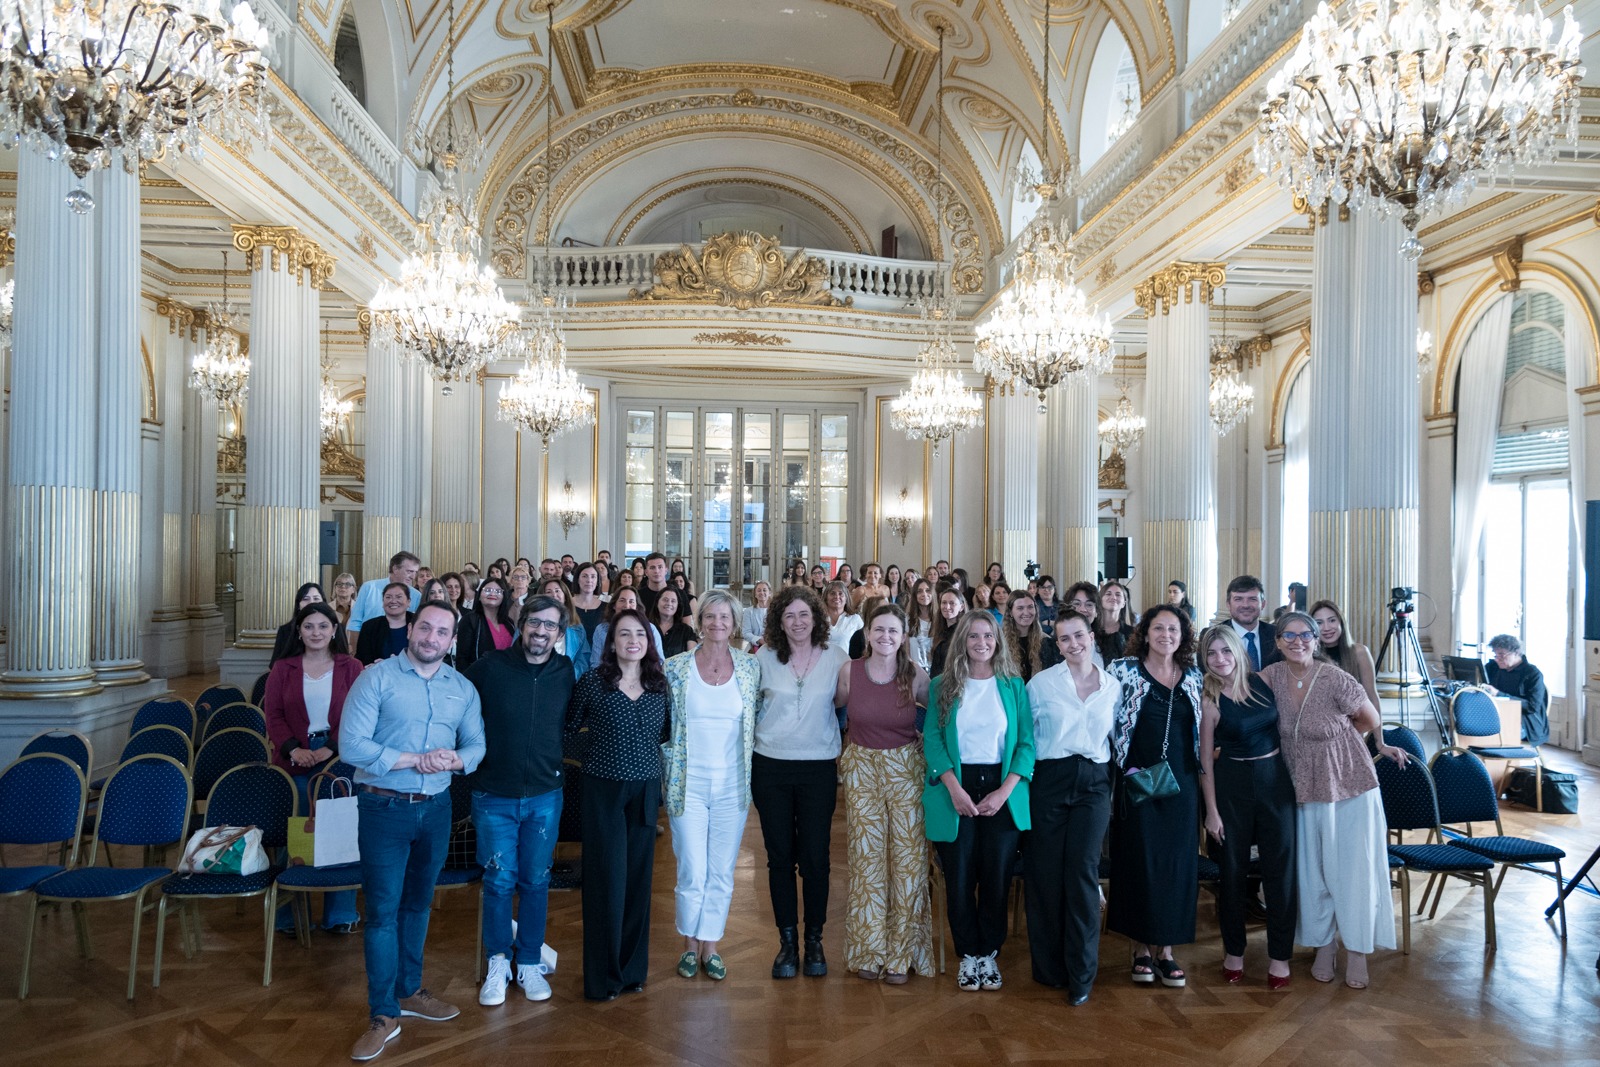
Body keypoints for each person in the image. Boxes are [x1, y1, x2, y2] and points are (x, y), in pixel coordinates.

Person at [340, 601, 485, 1062]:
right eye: (426, 628)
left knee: (419, 904)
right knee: (382, 912)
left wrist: (456, 759)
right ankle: (382, 1014)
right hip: (383, 807)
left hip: (437, 808)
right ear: (412, 630)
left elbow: (477, 743)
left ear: (451, 640)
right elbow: (352, 745)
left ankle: (409, 990)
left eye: (442, 632)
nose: (431, 638)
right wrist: (412, 760)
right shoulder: (376, 678)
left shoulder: (461, 688)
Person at [1259, 611, 1407, 989]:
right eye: (1288, 636)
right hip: (1300, 788)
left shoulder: (1335, 678)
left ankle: (1356, 951)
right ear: (1277, 642)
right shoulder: (1269, 678)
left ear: (1316, 639)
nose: (1297, 641)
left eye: (1305, 634)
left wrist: (1335, 747)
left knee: (1352, 872)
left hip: (1348, 785)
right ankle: (1323, 946)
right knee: (1311, 874)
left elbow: (1369, 719)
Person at [465, 596, 573, 1008]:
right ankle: (497, 962)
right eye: (534, 623)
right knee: (498, 882)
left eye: (550, 626)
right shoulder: (489, 668)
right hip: (493, 794)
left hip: (546, 794)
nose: (540, 631)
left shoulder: (565, 671)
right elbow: (454, 702)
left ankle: (528, 961)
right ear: (520, 624)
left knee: (536, 881)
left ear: (559, 634)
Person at [924, 610, 1034, 993]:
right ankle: (968, 954)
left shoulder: (1013, 685)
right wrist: (954, 789)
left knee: (996, 875)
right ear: (962, 641)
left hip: (1002, 787)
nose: (981, 642)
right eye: (973, 636)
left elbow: (1026, 745)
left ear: (999, 640)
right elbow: (933, 742)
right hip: (956, 785)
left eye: (988, 635)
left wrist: (1004, 792)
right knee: (958, 876)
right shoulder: (943, 684)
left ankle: (989, 952)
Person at [568, 609, 669, 1001]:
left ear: (648, 642)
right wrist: (596, 752)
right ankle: (602, 977)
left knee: (638, 883)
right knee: (604, 881)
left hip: (644, 791)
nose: (632, 641)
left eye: (639, 635)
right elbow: (569, 731)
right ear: (611, 642)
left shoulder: (659, 685)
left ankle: (631, 971)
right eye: (624, 634)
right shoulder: (594, 682)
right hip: (603, 790)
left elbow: (668, 733)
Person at [663, 590, 761, 981]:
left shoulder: (751, 668)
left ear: (735, 624)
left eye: (725, 618)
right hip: (687, 781)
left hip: (733, 785)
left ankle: (711, 945)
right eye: (709, 617)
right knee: (691, 869)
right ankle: (689, 945)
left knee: (721, 871)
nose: (717, 624)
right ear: (698, 621)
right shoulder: (675, 667)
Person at [1105, 604, 1204, 988]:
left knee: (1176, 868)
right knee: (1138, 865)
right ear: (1145, 633)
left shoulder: (1194, 676)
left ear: (1183, 637)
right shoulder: (1123, 671)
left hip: (1181, 787)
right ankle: (1141, 948)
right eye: (1159, 628)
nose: (1166, 636)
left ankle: (1167, 950)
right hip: (1137, 784)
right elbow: (1106, 722)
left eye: (1174, 630)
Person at [753, 585, 849, 979]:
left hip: (817, 767)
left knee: (815, 858)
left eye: (804, 615)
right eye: (789, 615)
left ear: (816, 618)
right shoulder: (762, 658)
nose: (797, 622)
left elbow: (843, 702)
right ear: (778, 620)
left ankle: (814, 941)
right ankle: (786, 943)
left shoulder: (836, 659)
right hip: (771, 766)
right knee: (779, 859)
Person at [835, 603, 933, 984]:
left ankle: (902, 953)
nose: (886, 637)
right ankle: (868, 949)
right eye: (879, 630)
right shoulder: (850, 672)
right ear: (868, 634)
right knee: (867, 860)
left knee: (908, 861)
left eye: (893, 631)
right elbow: (829, 709)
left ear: (904, 637)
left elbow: (942, 714)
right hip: (861, 769)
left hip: (906, 769)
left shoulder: (916, 676)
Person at [1023, 610, 1116, 1006]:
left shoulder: (1113, 686)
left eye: (1079, 636)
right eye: (1064, 639)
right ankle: (1048, 969)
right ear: (1056, 644)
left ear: (1091, 636)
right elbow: (1026, 738)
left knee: (1081, 872)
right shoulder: (1040, 684)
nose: (1073, 644)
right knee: (1044, 874)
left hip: (1094, 782)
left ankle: (1081, 973)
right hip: (1049, 779)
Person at [1197, 626, 1295, 990]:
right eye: (1211, 654)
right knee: (1233, 874)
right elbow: (1205, 761)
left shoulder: (1265, 681)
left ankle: (1280, 955)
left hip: (1275, 783)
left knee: (1280, 873)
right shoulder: (1209, 698)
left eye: (1225, 650)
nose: (1220, 659)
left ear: (1238, 650)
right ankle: (1233, 951)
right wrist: (1212, 811)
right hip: (1232, 787)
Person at [263, 601, 362, 933]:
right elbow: (273, 715)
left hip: (339, 759)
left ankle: (340, 915)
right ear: (299, 631)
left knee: (340, 835)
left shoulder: (352, 666)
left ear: (334, 630)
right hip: (293, 758)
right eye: (309, 627)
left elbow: (357, 715)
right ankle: (288, 916)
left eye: (323, 626)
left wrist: (328, 750)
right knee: (296, 835)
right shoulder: (282, 669)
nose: (316, 632)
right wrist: (294, 749)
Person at [1310, 599, 1380, 709]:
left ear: (1341, 622)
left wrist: (1377, 726)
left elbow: (1371, 696)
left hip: (1356, 720)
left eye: (1332, 620)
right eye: (1319, 623)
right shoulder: (1308, 656)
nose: (1327, 628)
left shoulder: (1359, 652)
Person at [1485, 634, 1550, 745]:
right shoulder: (1493, 668)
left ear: (1516, 653)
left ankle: (1495, 759)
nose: (1497, 659)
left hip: (1526, 723)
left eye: (1501, 655)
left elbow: (1532, 706)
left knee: (1488, 731)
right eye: (1495, 655)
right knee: (1467, 724)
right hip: (1499, 717)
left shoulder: (1532, 673)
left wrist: (1499, 694)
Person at [347, 552, 422, 636]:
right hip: (368, 642)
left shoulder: (416, 596)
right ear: (395, 569)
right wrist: (354, 648)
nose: (413, 576)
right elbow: (355, 621)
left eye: (415, 572)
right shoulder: (369, 588)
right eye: (409, 571)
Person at [590, 587, 665, 669]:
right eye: (622, 600)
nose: (626, 605)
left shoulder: (650, 628)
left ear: (636, 606)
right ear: (614, 605)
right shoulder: (601, 629)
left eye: (631, 601)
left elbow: (659, 661)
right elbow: (596, 664)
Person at [535, 577, 594, 677]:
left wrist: (567, 675)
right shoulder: (531, 624)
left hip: (568, 682)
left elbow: (583, 660)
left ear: (565, 596)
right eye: (548, 592)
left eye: (557, 591)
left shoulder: (578, 628)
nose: (554, 595)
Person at [270, 582, 341, 665]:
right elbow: (275, 664)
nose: (311, 602)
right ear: (298, 605)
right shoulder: (285, 630)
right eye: (305, 599)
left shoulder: (336, 627)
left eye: (316, 598)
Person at [455, 577, 515, 672]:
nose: (492, 593)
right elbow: (462, 658)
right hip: (480, 679)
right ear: (479, 596)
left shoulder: (509, 623)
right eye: (487, 590)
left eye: (498, 591)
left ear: (503, 596)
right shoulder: (470, 620)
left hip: (508, 677)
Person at [1226, 575, 1280, 670]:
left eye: (1252, 599)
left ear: (1263, 604)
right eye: (1238, 599)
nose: (1245, 605)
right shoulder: (1213, 636)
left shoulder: (1276, 634)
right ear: (1228, 604)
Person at [355, 582, 415, 666]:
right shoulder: (369, 626)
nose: (393, 601)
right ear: (383, 602)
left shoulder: (418, 623)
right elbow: (363, 659)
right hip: (380, 675)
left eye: (399, 597)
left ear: (408, 602)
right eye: (388, 597)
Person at [1003, 592, 1056, 681]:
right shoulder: (1000, 642)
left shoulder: (1046, 641)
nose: (1026, 612)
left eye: (1030, 607)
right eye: (1020, 608)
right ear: (1011, 612)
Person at [928, 584, 967, 675]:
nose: (947, 607)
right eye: (944, 602)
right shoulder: (939, 629)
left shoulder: (964, 632)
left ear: (961, 607)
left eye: (952, 603)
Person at [1094, 581, 1136, 664]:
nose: (1113, 597)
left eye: (1118, 594)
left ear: (1124, 603)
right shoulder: (1090, 629)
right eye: (1108, 594)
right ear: (1100, 600)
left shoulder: (1132, 633)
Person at [654, 587, 697, 659]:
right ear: (657, 603)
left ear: (677, 605)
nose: (669, 603)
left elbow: (692, 659)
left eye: (673, 601)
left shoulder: (686, 630)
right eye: (665, 600)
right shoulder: (648, 628)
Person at [823, 580, 862, 653]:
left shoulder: (855, 619)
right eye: (832, 593)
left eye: (841, 594)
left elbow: (862, 646)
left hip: (846, 662)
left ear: (846, 598)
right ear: (826, 598)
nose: (837, 597)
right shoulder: (818, 619)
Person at [572, 563, 606, 642]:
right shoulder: (566, 605)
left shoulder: (606, 608)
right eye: (584, 576)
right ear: (577, 579)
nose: (589, 580)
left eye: (593, 576)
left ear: (597, 581)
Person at [907, 578, 936, 671]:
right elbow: (906, 651)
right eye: (920, 591)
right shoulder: (907, 620)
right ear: (915, 595)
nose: (924, 594)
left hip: (936, 671)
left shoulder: (940, 619)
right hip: (915, 670)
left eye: (927, 590)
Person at [638, 552, 671, 618]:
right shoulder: (638, 596)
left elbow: (687, 625)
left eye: (660, 567)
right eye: (652, 568)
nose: (656, 571)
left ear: (666, 570)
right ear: (646, 572)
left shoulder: (678, 594)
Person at [741, 580, 771, 648]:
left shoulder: (775, 610)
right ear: (755, 594)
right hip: (755, 646)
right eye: (759, 590)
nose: (762, 593)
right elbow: (746, 633)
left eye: (764, 590)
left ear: (769, 593)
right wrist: (760, 640)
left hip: (773, 645)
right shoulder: (748, 611)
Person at [1034, 575, 1060, 639]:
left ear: (1054, 589)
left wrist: (1049, 623)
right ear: (1038, 590)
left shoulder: (1062, 605)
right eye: (1043, 587)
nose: (1046, 590)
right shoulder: (1033, 606)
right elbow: (1035, 628)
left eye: (1050, 587)